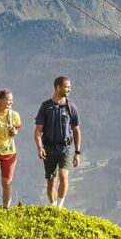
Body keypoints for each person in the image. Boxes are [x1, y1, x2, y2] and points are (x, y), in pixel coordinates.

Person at [34, 76, 81, 207]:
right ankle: (53, 206)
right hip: (48, 148)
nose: (69, 89)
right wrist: (40, 147)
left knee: (63, 175)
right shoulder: (45, 107)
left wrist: (77, 152)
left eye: (69, 87)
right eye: (67, 87)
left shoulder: (71, 107)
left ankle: (60, 207)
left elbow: (76, 130)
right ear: (58, 87)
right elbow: (38, 131)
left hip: (66, 147)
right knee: (50, 181)